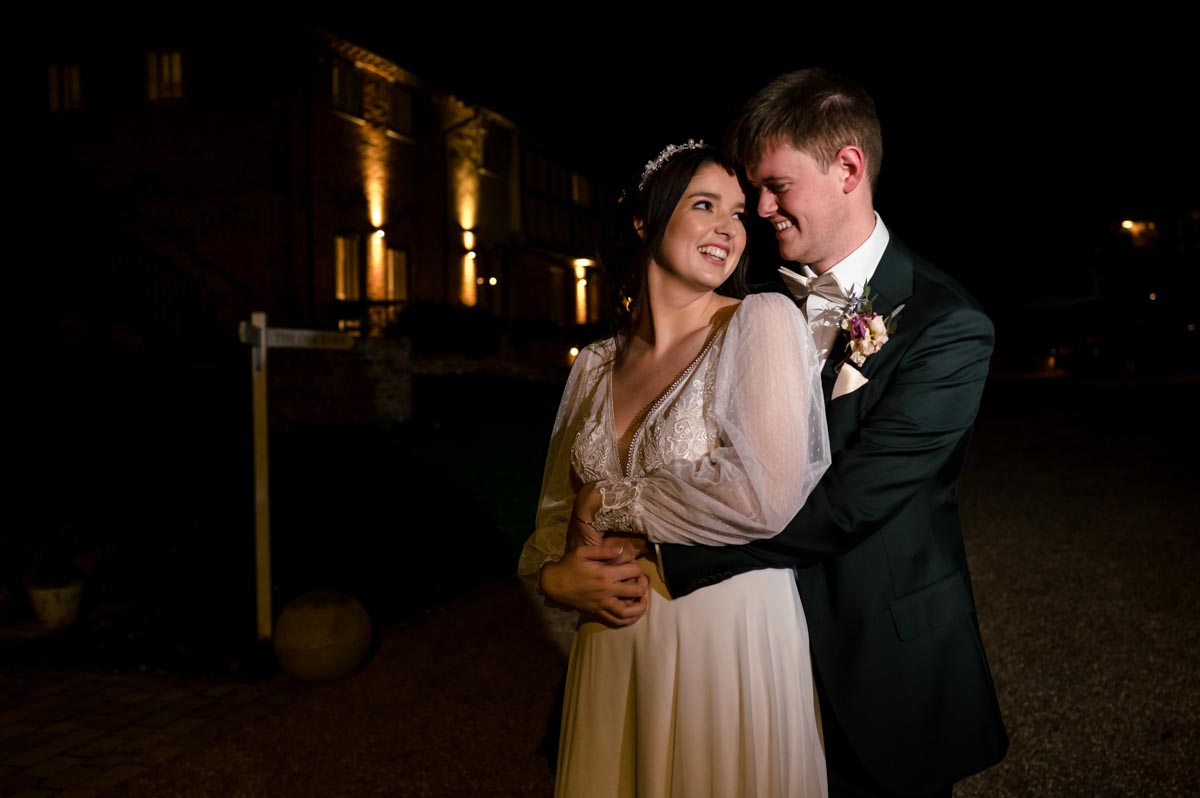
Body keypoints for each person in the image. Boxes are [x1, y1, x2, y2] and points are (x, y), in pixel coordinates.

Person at [541, 68, 1010, 798]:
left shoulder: (948, 326)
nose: (758, 211)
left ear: (848, 167)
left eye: (773, 187)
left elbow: (847, 503)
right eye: (745, 193)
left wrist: (660, 552)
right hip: (728, 655)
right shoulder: (753, 310)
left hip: (872, 660)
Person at [519, 140, 832, 797]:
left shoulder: (759, 323)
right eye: (704, 204)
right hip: (610, 649)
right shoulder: (595, 365)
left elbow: (763, 494)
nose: (728, 226)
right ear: (645, 220)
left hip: (723, 646)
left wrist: (610, 503)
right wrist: (558, 582)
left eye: (740, 213)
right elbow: (551, 525)